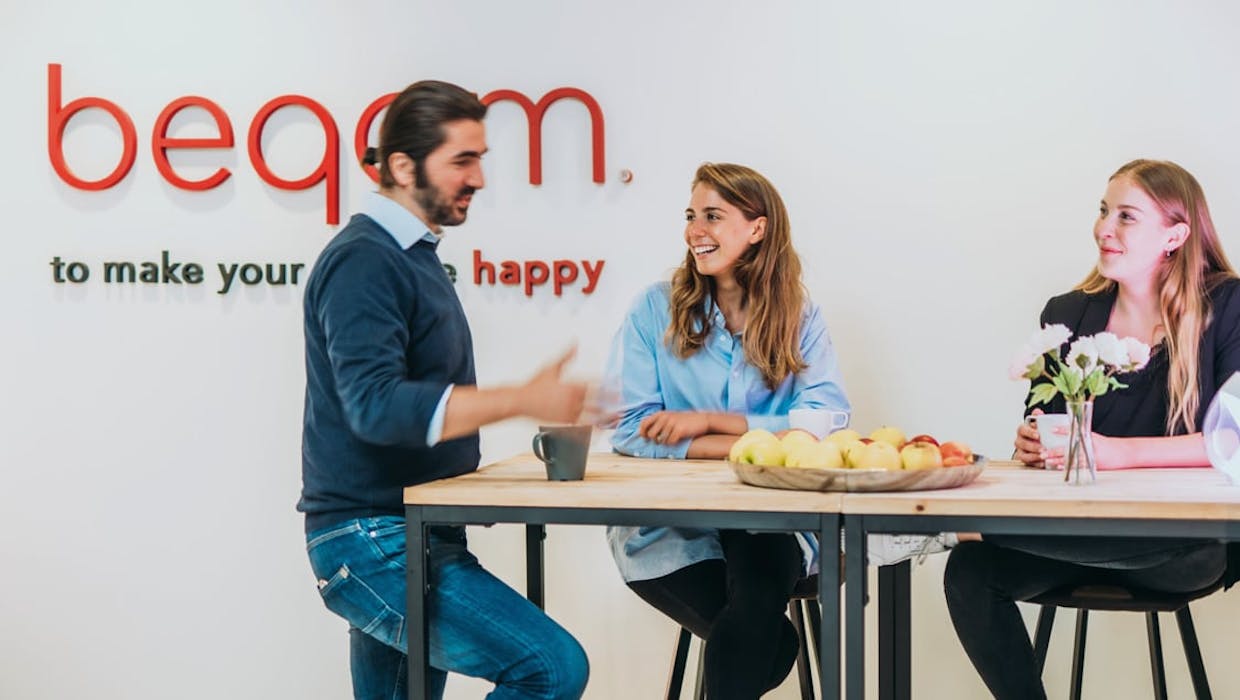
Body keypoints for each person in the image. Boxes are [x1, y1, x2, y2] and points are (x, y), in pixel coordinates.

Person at [298, 80, 590, 700]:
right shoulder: (365, 261)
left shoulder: (412, 256)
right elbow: (375, 406)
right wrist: (521, 399)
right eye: (463, 159)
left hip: (411, 531)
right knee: (551, 669)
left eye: (480, 158)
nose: (479, 177)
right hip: (376, 540)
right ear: (402, 165)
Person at [944, 159, 1240, 700]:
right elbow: (1050, 427)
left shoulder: (1227, 307)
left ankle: (970, 526)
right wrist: (1033, 442)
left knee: (969, 530)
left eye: (1127, 216)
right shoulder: (1069, 312)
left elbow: (1233, 444)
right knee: (970, 567)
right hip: (1076, 533)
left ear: (1175, 234)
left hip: (1184, 546)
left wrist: (1117, 454)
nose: (1105, 227)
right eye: (1104, 211)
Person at [604, 162, 850, 699]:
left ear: (756, 228)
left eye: (713, 216)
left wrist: (710, 423)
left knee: (759, 590)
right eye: (691, 216)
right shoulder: (654, 309)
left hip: (769, 519)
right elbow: (629, 429)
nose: (695, 230)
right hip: (671, 528)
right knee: (773, 643)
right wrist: (752, 446)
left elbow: (827, 417)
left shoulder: (799, 315)